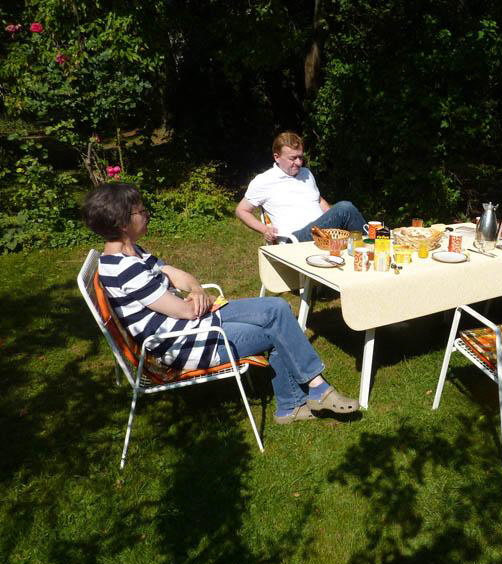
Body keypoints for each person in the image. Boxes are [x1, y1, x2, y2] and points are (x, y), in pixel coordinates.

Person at [83, 183, 359, 424]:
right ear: (121, 223)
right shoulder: (123, 269)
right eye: (140, 212)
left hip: (198, 323)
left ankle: (312, 391)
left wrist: (195, 289)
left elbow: (181, 277)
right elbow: (185, 310)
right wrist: (195, 297)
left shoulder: (133, 254)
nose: (147, 214)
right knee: (279, 330)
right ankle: (300, 401)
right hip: (187, 343)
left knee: (277, 308)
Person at [235, 131, 367, 243]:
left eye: (300, 157)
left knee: (344, 213)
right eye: (293, 158)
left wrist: (332, 217)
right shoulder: (264, 180)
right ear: (277, 157)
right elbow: (241, 210)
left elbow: (319, 200)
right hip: (295, 239)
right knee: (345, 208)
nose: (298, 163)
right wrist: (265, 229)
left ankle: (370, 250)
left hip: (323, 234)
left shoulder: (306, 174)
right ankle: (372, 244)